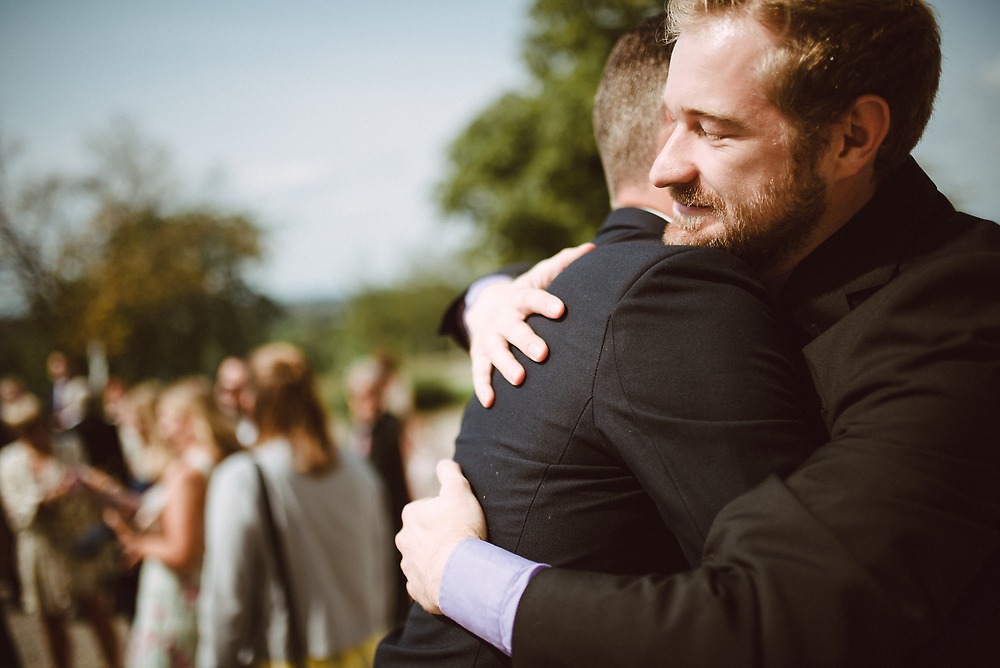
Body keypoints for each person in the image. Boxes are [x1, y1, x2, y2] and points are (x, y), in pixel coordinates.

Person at [396, 1, 1000, 665]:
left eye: (712, 131)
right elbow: (620, 269)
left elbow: (771, 623)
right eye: (671, 122)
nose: (664, 169)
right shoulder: (761, 239)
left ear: (850, 138)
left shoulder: (963, 316)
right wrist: (488, 300)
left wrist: (459, 575)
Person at [377, 15, 823, 668]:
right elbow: (791, 602)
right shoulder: (676, 289)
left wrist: (481, 297)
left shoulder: (568, 290)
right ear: (675, 132)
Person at [197, 342, 392, 667]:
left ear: (250, 399)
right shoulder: (359, 469)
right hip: (364, 652)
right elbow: (381, 572)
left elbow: (227, 603)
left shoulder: (242, 478)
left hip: (287, 658)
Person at [103, 376, 240, 667]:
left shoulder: (187, 473)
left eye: (166, 418)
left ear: (187, 421)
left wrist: (136, 542)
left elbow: (182, 553)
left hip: (178, 595)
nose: (161, 427)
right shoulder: (225, 462)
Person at [0, 394, 122, 668]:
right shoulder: (8, 462)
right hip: (40, 547)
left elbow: (86, 481)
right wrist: (48, 500)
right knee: (51, 622)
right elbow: (17, 513)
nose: (34, 434)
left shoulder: (68, 446)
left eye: (37, 425)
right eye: (26, 429)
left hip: (75, 539)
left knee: (96, 610)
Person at [346, 356, 413, 627]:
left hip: (393, 516)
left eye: (372, 396)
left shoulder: (389, 426)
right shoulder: (357, 432)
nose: (368, 404)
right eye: (360, 398)